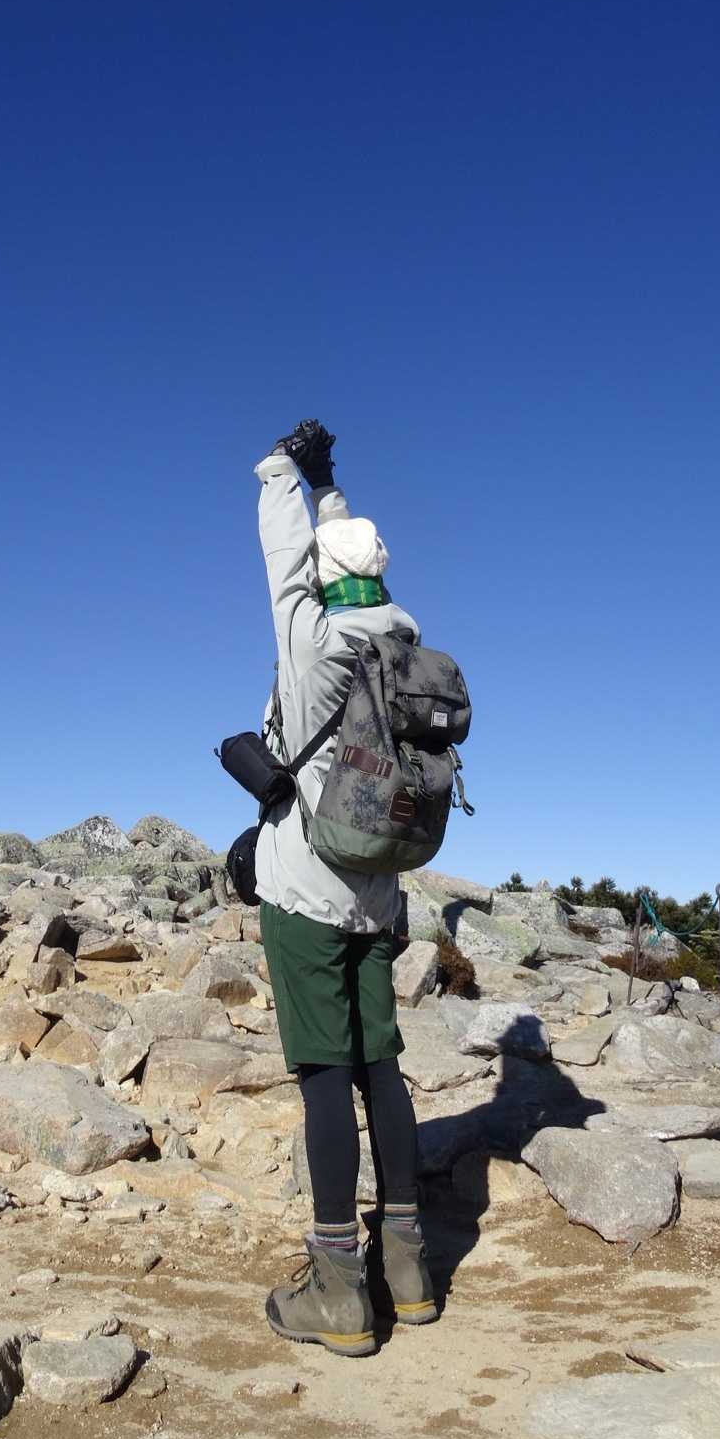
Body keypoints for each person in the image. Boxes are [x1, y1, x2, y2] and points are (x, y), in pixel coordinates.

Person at [254, 419, 437, 1356]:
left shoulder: (315, 648)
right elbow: (340, 553)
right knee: (382, 1071)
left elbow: (288, 569)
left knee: (324, 1078)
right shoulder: (404, 645)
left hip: (306, 893)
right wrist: (329, 488)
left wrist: (279, 474)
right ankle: (407, 1268)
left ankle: (338, 1290)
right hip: (381, 894)